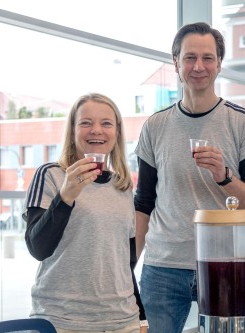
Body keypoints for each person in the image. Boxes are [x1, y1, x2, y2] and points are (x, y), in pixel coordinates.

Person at [134, 22, 245, 333]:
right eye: (190, 57)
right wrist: (128, 265)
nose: (198, 66)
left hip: (227, 263)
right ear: (176, 63)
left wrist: (225, 177)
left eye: (208, 58)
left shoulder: (242, 123)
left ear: (219, 65)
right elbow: (143, 204)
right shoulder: (154, 126)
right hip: (163, 266)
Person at [23, 93, 147, 333]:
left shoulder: (122, 185)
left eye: (106, 123)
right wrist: (66, 195)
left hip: (123, 322)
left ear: (117, 132)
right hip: (63, 322)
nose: (96, 130)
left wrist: (142, 320)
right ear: (73, 130)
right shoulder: (50, 175)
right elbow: (38, 248)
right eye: (86, 123)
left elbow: (125, 262)